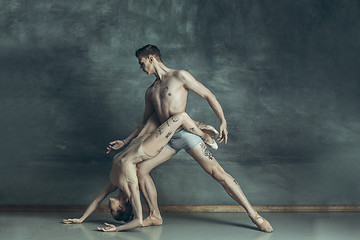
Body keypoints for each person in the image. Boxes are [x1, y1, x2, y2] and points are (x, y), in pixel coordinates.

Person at [107, 45, 273, 232]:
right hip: (164, 138)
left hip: (185, 133)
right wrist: (125, 141)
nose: (141, 67)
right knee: (140, 169)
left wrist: (223, 121)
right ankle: (155, 215)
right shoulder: (150, 91)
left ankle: (254, 215)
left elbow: (207, 95)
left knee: (218, 173)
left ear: (152, 58)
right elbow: (144, 123)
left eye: (142, 63)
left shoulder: (180, 76)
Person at [63, 112, 217, 231]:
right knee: (180, 117)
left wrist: (81, 219)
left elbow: (96, 201)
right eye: (112, 211)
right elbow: (138, 220)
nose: (108, 208)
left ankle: (196, 126)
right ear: (122, 207)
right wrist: (117, 229)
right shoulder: (131, 187)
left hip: (138, 142)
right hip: (147, 148)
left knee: (157, 113)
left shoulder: (114, 183)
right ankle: (204, 135)